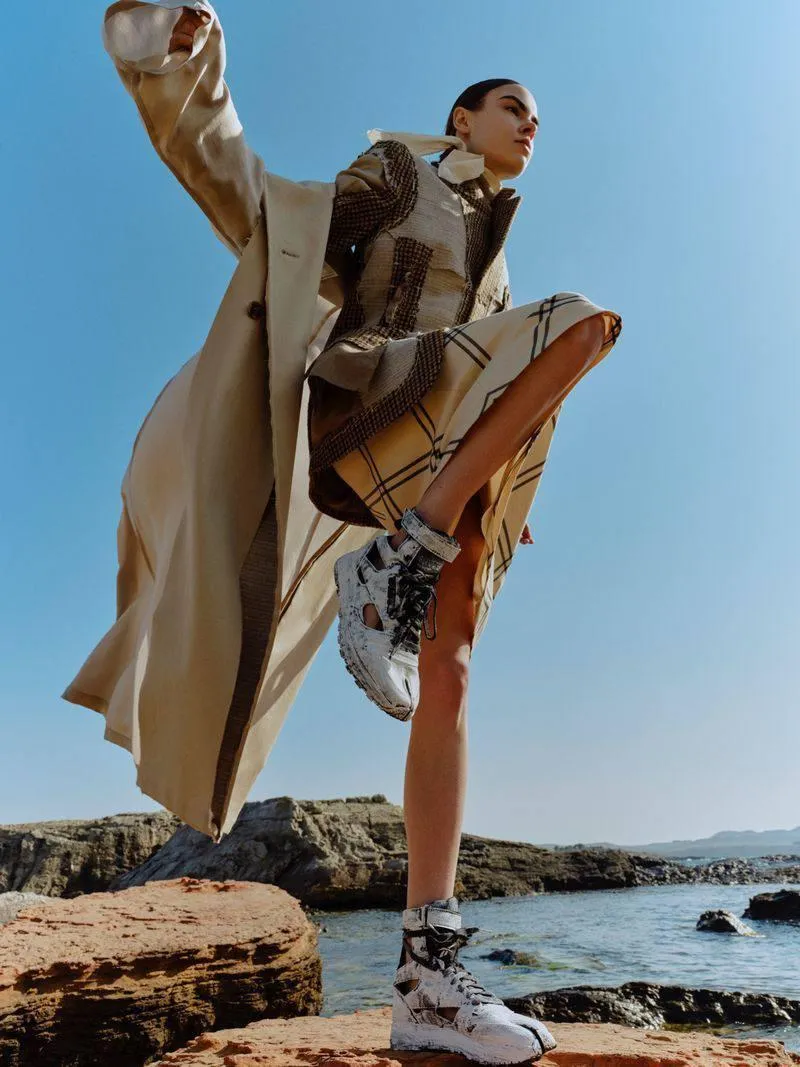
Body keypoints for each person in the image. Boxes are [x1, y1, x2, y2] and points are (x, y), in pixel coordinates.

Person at [91, 5, 623, 1063]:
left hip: (447, 455)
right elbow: (263, 213)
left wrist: (491, 493)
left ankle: (428, 979)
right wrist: (176, 75)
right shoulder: (397, 173)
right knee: (587, 322)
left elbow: (504, 383)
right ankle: (401, 558)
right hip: (376, 406)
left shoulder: (498, 256)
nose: (530, 123)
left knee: (451, 674)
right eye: (512, 106)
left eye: (536, 116)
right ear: (460, 119)